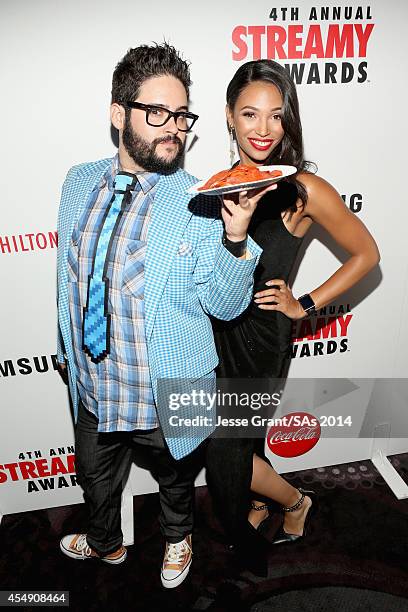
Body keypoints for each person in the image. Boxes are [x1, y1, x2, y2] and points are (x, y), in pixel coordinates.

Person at [56, 43, 273, 588]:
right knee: (95, 479)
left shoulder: (200, 199)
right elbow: (68, 275)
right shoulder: (78, 182)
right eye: (157, 113)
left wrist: (237, 237)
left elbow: (225, 305)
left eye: (180, 115)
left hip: (166, 384)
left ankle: (179, 539)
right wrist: (66, 349)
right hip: (95, 378)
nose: (172, 127)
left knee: (177, 478)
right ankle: (105, 541)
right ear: (118, 114)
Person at [206, 59, 380, 568]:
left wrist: (304, 305)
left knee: (225, 451)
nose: (263, 129)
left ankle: (296, 500)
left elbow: (366, 254)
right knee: (240, 440)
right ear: (229, 117)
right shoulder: (214, 184)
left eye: (276, 116)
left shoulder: (303, 189)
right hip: (211, 330)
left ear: (289, 121)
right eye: (250, 114)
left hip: (259, 337)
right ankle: (264, 501)